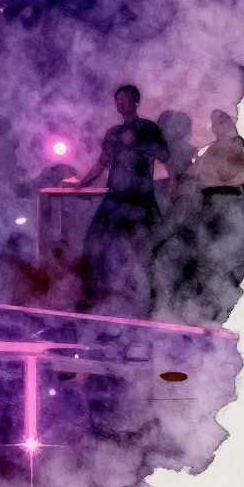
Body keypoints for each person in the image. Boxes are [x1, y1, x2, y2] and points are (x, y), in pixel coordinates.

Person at [67, 85, 169, 315]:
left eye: (124, 98)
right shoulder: (113, 133)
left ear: (135, 101)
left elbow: (165, 156)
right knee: (94, 245)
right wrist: (81, 183)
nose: (120, 102)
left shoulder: (148, 128)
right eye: (117, 99)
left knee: (149, 250)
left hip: (141, 200)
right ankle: (92, 298)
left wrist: (140, 142)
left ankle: (153, 303)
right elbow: (102, 162)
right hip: (115, 198)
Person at [150, 109, 244, 325]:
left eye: (225, 118)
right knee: (177, 258)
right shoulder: (207, 152)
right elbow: (190, 177)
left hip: (233, 212)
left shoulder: (239, 146)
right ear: (212, 128)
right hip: (207, 211)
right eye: (217, 120)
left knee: (218, 265)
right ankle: (184, 315)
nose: (222, 122)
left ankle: (217, 317)